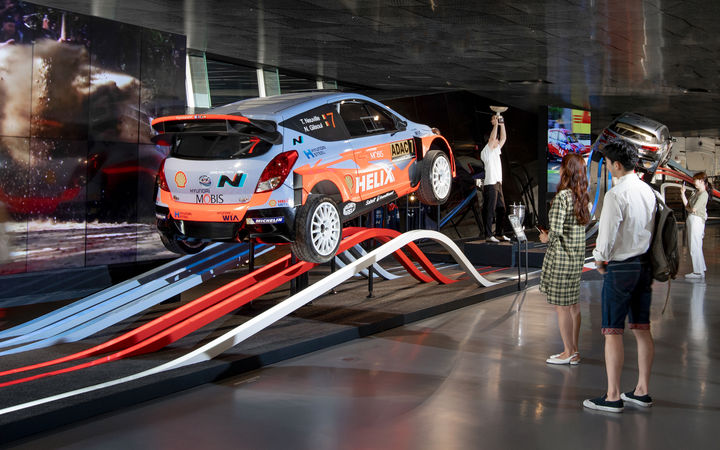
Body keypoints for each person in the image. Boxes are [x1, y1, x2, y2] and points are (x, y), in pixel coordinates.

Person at [584, 139, 656, 413]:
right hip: (644, 266)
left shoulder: (616, 195)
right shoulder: (648, 191)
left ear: (615, 165)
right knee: (642, 329)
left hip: (621, 268)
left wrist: (600, 259)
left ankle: (613, 396)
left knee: (612, 331)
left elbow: (607, 236)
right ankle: (642, 391)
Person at [539, 153, 590, 365]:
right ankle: (574, 351)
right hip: (576, 259)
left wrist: (545, 237)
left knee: (562, 308)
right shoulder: (582, 196)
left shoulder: (562, 197)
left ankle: (567, 351)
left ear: (565, 171)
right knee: (574, 307)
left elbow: (556, 232)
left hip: (562, 260)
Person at [481, 114, 510, 243]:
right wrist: (496, 124)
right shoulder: (486, 151)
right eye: (495, 140)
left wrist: (501, 123)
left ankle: (499, 233)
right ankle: (488, 235)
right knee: (490, 210)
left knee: (501, 209)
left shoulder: (496, 150)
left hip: (498, 184)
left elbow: (504, 138)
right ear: (490, 141)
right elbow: (493, 137)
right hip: (490, 184)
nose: (498, 141)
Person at [681, 172, 711, 279]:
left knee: (694, 245)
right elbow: (687, 206)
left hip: (697, 220)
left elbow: (693, 209)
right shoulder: (696, 192)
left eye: (695, 180)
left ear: (701, 181)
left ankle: (697, 272)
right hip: (692, 219)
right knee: (696, 245)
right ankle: (701, 269)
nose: (694, 182)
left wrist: (689, 209)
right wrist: (682, 194)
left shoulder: (703, 194)